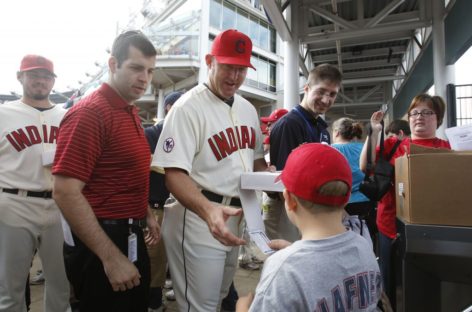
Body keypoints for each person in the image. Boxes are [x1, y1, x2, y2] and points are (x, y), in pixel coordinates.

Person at [152, 29, 268, 311]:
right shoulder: (186, 107)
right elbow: (173, 175)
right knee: (199, 307)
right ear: (209, 60)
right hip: (197, 217)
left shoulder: (247, 109)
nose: (235, 76)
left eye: (241, 69)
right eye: (228, 66)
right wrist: (208, 212)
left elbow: (256, 164)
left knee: (217, 300)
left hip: (237, 215)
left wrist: (279, 180)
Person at [52, 30, 160, 312]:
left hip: (127, 234)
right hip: (101, 242)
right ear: (113, 65)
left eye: (150, 71)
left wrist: (145, 212)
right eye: (136, 68)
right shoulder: (90, 113)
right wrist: (110, 257)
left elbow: (123, 172)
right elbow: (65, 191)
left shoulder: (129, 110)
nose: (145, 78)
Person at [236, 143, 382, 311]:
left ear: (289, 200)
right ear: (346, 198)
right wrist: (298, 254)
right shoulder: (363, 244)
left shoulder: (284, 269)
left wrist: (242, 308)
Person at [360, 93, 450, 305]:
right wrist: (373, 133)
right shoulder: (394, 144)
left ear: (438, 118)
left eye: (427, 112)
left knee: (425, 282)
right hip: (390, 225)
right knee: (392, 280)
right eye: (415, 113)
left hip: (433, 227)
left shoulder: (447, 148)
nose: (420, 117)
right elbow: (366, 166)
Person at [0, 54, 71, 312]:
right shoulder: (3, 113)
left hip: (60, 205)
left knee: (61, 284)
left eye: (46, 76)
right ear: (20, 77)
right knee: (10, 288)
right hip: (13, 202)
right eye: (33, 75)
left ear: (53, 81)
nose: (40, 81)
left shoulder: (68, 116)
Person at [268, 64, 342, 242]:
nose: (326, 100)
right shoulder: (289, 124)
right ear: (306, 88)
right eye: (321, 91)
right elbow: (282, 180)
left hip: (310, 211)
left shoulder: (322, 129)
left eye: (332, 94)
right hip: (289, 209)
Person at [145, 90, 183, 312]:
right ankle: (152, 302)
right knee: (154, 259)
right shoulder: (150, 133)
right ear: (168, 107)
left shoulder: (185, 135)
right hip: (155, 206)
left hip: (179, 208)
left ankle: (164, 293)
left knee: (175, 257)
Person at [331, 117, 377, 249]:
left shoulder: (329, 151)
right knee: (367, 241)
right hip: (366, 203)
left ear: (336, 132)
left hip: (340, 206)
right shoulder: (365, 149)